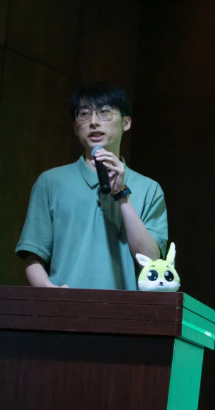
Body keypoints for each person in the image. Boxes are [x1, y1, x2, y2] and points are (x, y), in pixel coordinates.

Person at [15, 83, 168, 290]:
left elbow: (151, 260)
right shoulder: (51, 182)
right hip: (65, 305)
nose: (93, 122)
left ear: (126, 122)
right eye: (84, 114)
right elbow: (33, 255)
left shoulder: (149, 188)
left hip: (125, 307)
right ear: (75, 127)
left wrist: (121, 194)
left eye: (104, 112)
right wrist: (49, 292)